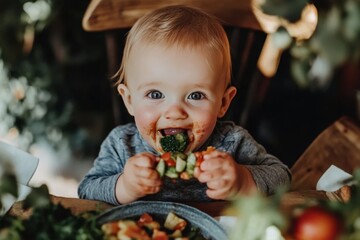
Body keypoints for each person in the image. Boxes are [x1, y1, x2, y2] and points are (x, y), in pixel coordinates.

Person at [78, 5, 291, 205]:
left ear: (223, 102)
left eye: (196, 95)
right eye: (155, 94)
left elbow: (282, 177)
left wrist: (244, 180)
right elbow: (86, 190)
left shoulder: (232, 142)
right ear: (129, 100)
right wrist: (123, 187)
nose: (175, 112)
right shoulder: (121, 145)